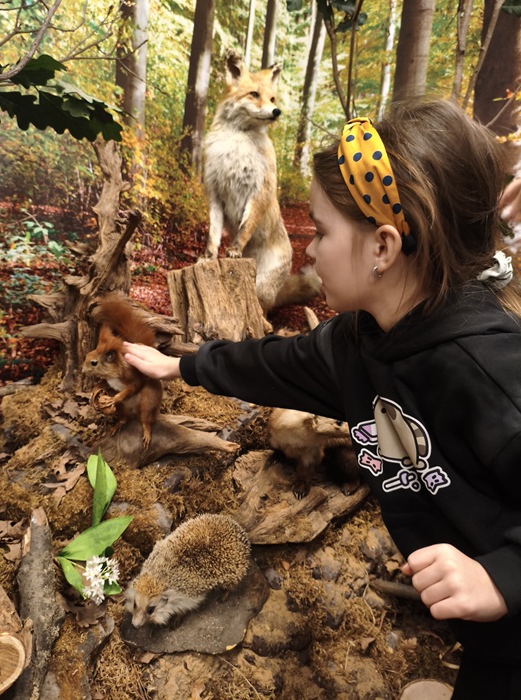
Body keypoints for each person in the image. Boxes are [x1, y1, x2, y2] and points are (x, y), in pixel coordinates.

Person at [124, 99, 521, 699]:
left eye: (322, 230)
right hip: (479, 624)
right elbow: (273, 363)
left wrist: (502, 577)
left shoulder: (490, 372)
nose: (307, 249)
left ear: (383, 248)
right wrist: (182, 365)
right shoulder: (360, 340)